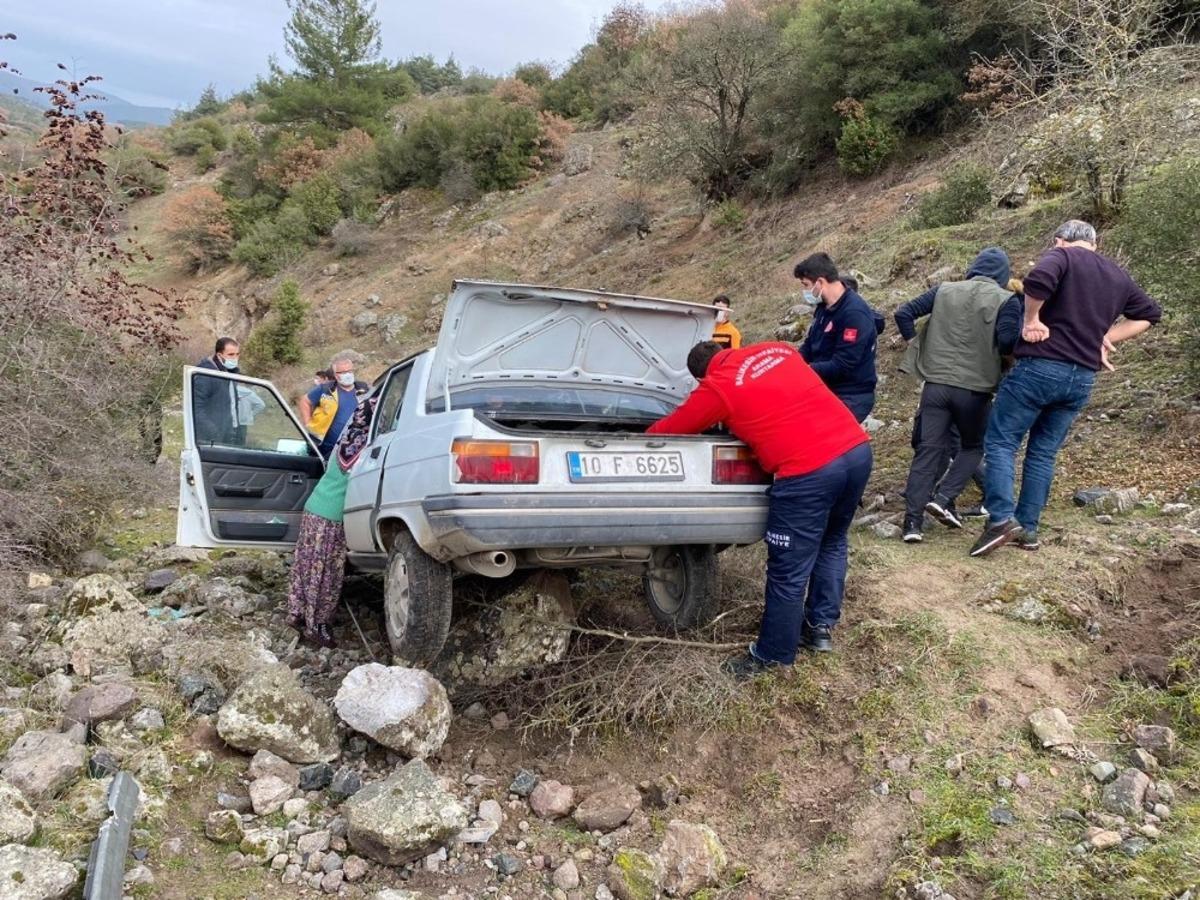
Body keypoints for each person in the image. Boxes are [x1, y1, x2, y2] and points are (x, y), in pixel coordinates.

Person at [646, 341, 873, 674]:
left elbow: (672, 429)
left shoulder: (717, 386)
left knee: (787, 571)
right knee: (832, 541)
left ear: (699, 377)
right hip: (856, 451)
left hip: (809, 471)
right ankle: (819, 628)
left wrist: (639, 437)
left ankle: (773, 655)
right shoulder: (778, 350)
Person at [970, 220, 1162, 557]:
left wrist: (1031, 319)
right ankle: (1028, 529)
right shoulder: (1117, 275)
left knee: (1001, 442)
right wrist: (1105, 337)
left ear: (1060, 240)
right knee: (1043, 452)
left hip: (1040, 367)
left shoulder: (1062, 256)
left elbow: (1037, 281)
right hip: (1081, 377)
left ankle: (1000, 520)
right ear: (1095, 244)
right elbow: (1149, 314)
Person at [895, 247, 1021, 542]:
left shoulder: (944, 290)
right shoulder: (1007, 300)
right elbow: (1006, 342)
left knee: (927, 451)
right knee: (973, 447)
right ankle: (943, 498)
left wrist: (916, 344)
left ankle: (912, 525)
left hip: (935, 385)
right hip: (975, 390)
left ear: (973, 268)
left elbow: (904, 313)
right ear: (1003, 276)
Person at [286, 397, 377, 647]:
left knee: (307, 566)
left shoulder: (346, 441)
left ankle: (298, 614)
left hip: (314, 509)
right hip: (331, 518)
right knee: (326, 574)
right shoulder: (365, 451)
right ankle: (318, 626)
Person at [795, 253, 879, 422]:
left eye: (806, 285)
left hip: (851, 395)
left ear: (820, 282)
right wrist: (793, 362)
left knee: (822, 432)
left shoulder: (854, 313)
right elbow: (810, 344)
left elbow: (843, 364)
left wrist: (805, 370)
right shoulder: (823, 307)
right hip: (825, 388)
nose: (805, 291)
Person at [299, 350, 367, 459]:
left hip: (355, 449)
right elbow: (304, 401)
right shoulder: (325, 389)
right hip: (325, 448)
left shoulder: (364, 390)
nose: (347, 374)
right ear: (335, 375)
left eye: (349, 371)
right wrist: (308, 423)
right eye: (343, 372)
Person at [193, 337, 242, 445]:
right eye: (231, 354)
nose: (235, 358)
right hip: (210, 438)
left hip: (228, 431)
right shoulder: (206, 375)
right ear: (219, 355)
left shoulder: (229, 373)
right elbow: (196, 408)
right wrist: (213, 431)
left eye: (237, 354)